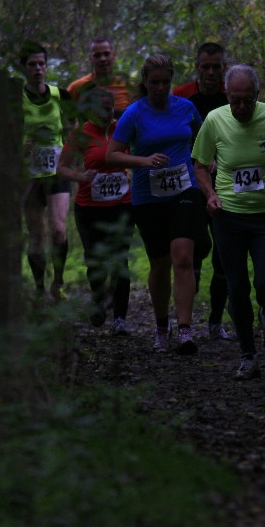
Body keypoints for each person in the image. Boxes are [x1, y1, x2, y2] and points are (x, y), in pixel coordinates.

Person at [192, 64, 265, 380]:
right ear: (227, 95)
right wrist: (210, 195)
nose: (242, 107)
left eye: (248, 100)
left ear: (258, 94)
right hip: (228, 217)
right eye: (236, 100)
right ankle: (247, 355)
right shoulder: (214, 120)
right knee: (237, 287)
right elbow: (200, 165)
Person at [106, 54, 207, 355]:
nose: (161, 88)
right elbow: (112, 154)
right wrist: (143, 160)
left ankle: (186, 330)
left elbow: (204, 139)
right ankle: (162, 326)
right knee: (160, 263)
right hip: (148, 196)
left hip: (184, 189)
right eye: (155, 83)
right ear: (145, 83)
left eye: (165, 82)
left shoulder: (186, 108)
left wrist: (206, 162)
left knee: (183, 257)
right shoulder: (134, 113)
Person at [57, 86, 134, 336]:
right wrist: (81, 176)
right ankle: (98, 299)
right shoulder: (80, 135)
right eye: (99, 109)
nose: (104, 114)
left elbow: (137, 156)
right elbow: (62, 168)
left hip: (122, 205)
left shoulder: (122, 129)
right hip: (89, 207)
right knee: (95, 259)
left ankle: (120, 319)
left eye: (108, 109)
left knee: (120, 259)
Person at [173, 42, 231, 341]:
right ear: (197, 67)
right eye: (205, 67)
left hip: (226, 185)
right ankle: (185, 322)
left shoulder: (233, 95)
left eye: (216, 67)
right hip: (190, 183)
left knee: (224, 254)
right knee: (193, 251)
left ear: (224, 68)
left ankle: (216, 322)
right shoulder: (181, 95)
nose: (210, 72)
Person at [19, 42, 71, 302]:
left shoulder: (60, 95)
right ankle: (40, 289)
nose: (38, 69)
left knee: (58, 230)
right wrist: (20, 147)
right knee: (36, 235)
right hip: (30, 175)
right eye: (32, 64)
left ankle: (58, 282)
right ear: (24, 68)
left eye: (42, 63)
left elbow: (74, 128)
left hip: (56, 171)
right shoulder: (16, 99)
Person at [67, 37, 136, 119]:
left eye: (106, 54)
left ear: (113, 56)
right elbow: (66, 118)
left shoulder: (129, 87)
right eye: (97, 56)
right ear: (91, 59)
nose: (102, 59)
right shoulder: (77, 87)